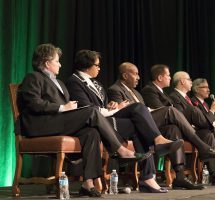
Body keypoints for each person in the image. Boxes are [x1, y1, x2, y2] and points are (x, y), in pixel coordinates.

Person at [17, 44, 167, 197]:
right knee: (90, 111)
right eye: (57, 61)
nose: (60, 64)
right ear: (47, 63)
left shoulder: (60, 83)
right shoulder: (33, 77)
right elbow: (33, 103)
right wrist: (63, 108)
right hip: (41, 124)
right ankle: (120, 150)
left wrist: (72, 108)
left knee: (92, 132)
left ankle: (87, 183)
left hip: (59, 122)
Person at [65, 50, 184, 192]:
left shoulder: (96, 83)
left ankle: (148, 177)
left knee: (139, 123)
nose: (99, 68)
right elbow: (87, 108)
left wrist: (111, 106)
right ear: (87, 65)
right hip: (95, 122)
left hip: (107, 118)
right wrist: (115, 109)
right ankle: (156, 146)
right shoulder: (74, 81)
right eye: (97, 65)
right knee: (138, 109)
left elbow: (102, 106)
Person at [107, 62, 215, 186]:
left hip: (153, 123)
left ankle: (180, 177)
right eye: (135, 74)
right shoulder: (116, 89)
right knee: (173, 111)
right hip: (135, 126)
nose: (138, 77)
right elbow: (124, 112)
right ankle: (208, 142)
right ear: (125, 75)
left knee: (175, 128)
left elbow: (144, 109)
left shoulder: (137, 93)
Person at [141, 64, 215, 185]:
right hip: (160, 128)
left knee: (206, 133)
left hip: (178, 127)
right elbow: (162, 111)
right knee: (192, 111)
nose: (170, 78)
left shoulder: (164, 93)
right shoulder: (150, 90)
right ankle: (213, 139)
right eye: (168, 75)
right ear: (160, 77)